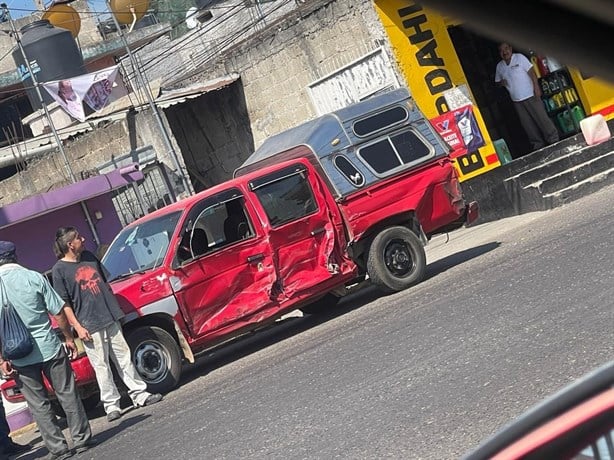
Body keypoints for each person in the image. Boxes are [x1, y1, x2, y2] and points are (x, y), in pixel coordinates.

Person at [51, 228, 162, 424]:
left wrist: (115, 310)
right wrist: (77, 326)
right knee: (101, 366)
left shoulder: (88, 256)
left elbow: (105, 283)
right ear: (70, 244)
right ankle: (111, 405)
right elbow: (64, 304)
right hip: (88, 324)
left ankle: (139, 394)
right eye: (78, 237)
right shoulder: (59, 270)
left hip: (109, 316)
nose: (83, 239)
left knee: (123, 357)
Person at [0, 241, 93, 460]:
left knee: (38, 404)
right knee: (67, 393)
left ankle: (58, 448)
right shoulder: (33, 277)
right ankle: (81, 440)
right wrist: (69, 338)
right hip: (48, 347)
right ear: (14, 256)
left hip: (19, 355)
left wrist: (2, 358)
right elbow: (58, 311)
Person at [494, 42, 559, 150]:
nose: (504, 52)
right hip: (516, 100)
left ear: (510, 48)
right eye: (501, 50)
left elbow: (532, 72)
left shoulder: (519, 58)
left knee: (542, 118)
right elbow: (497, 83)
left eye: (506, 48)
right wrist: (501, 83)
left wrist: (536, 87)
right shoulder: (499, 67)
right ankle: (537, 144)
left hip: (530, 94)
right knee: (527, 125)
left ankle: (553, 139)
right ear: (499, 53)